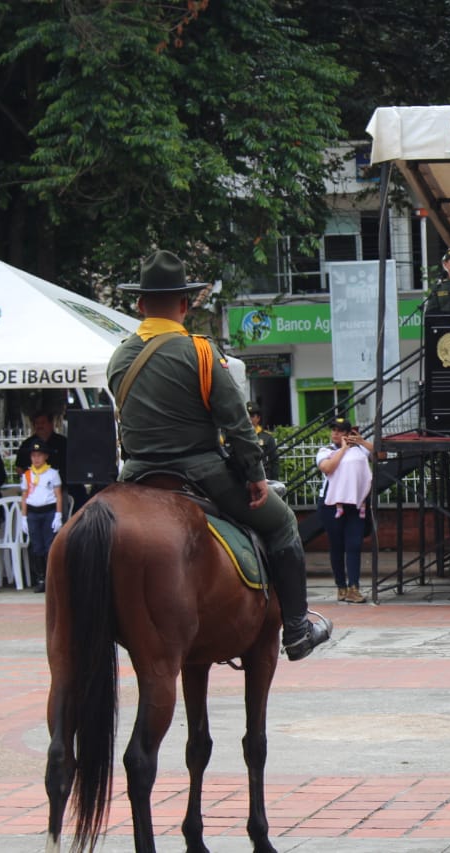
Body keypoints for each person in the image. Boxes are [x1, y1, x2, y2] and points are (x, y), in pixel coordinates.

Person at [107, 249, 330, 661]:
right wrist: (256, 474)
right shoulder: (201, 351)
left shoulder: (119, 355)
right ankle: (298, 630)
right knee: (282, 522)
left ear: (140, 305)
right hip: (199, 471)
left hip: (135, 475)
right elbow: (236, 423)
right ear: (184, 305)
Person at [317, 417, 373, 604]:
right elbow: (327, 468)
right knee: (337, 546)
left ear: (349, 433)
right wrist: (342, 449)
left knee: (354, 544)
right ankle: (341, 586)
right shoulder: (326, 451)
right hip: (332, 505)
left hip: (356, 504)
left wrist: (361, 441)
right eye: (334, 430)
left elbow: (380, 455)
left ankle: (353, 587)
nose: (335, 433)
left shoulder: (360, 450)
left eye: (340, 431)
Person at [16, 411, 83, 513]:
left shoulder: (63, 442)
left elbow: (75, 465)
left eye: (43, 423)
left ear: (51, 424)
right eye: (37, 423)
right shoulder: (27, 444)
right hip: (35, 492)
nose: (40, 426)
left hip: (60, 489)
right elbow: (19, 467)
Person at [19, 440, 62, 594]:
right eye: (33, 456)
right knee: (37, 547)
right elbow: (24, 496)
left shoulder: (52, 473)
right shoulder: (27, 475)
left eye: (39, 455)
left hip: (48, 512)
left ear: (46, 457)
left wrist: (58, 515)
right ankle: (40, 578)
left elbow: (58, 495)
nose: (36, 459)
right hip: (33, 513)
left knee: (49, 546)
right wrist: (24, 517)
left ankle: (51, 578)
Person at [247, 402, 281, 481]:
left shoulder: (267, 437)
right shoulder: (239, 436)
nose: (249, 419)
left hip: (263, 477)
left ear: (258, 418)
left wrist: (275, 480)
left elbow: (274, 461)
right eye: (246, 416)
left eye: (252, 416)